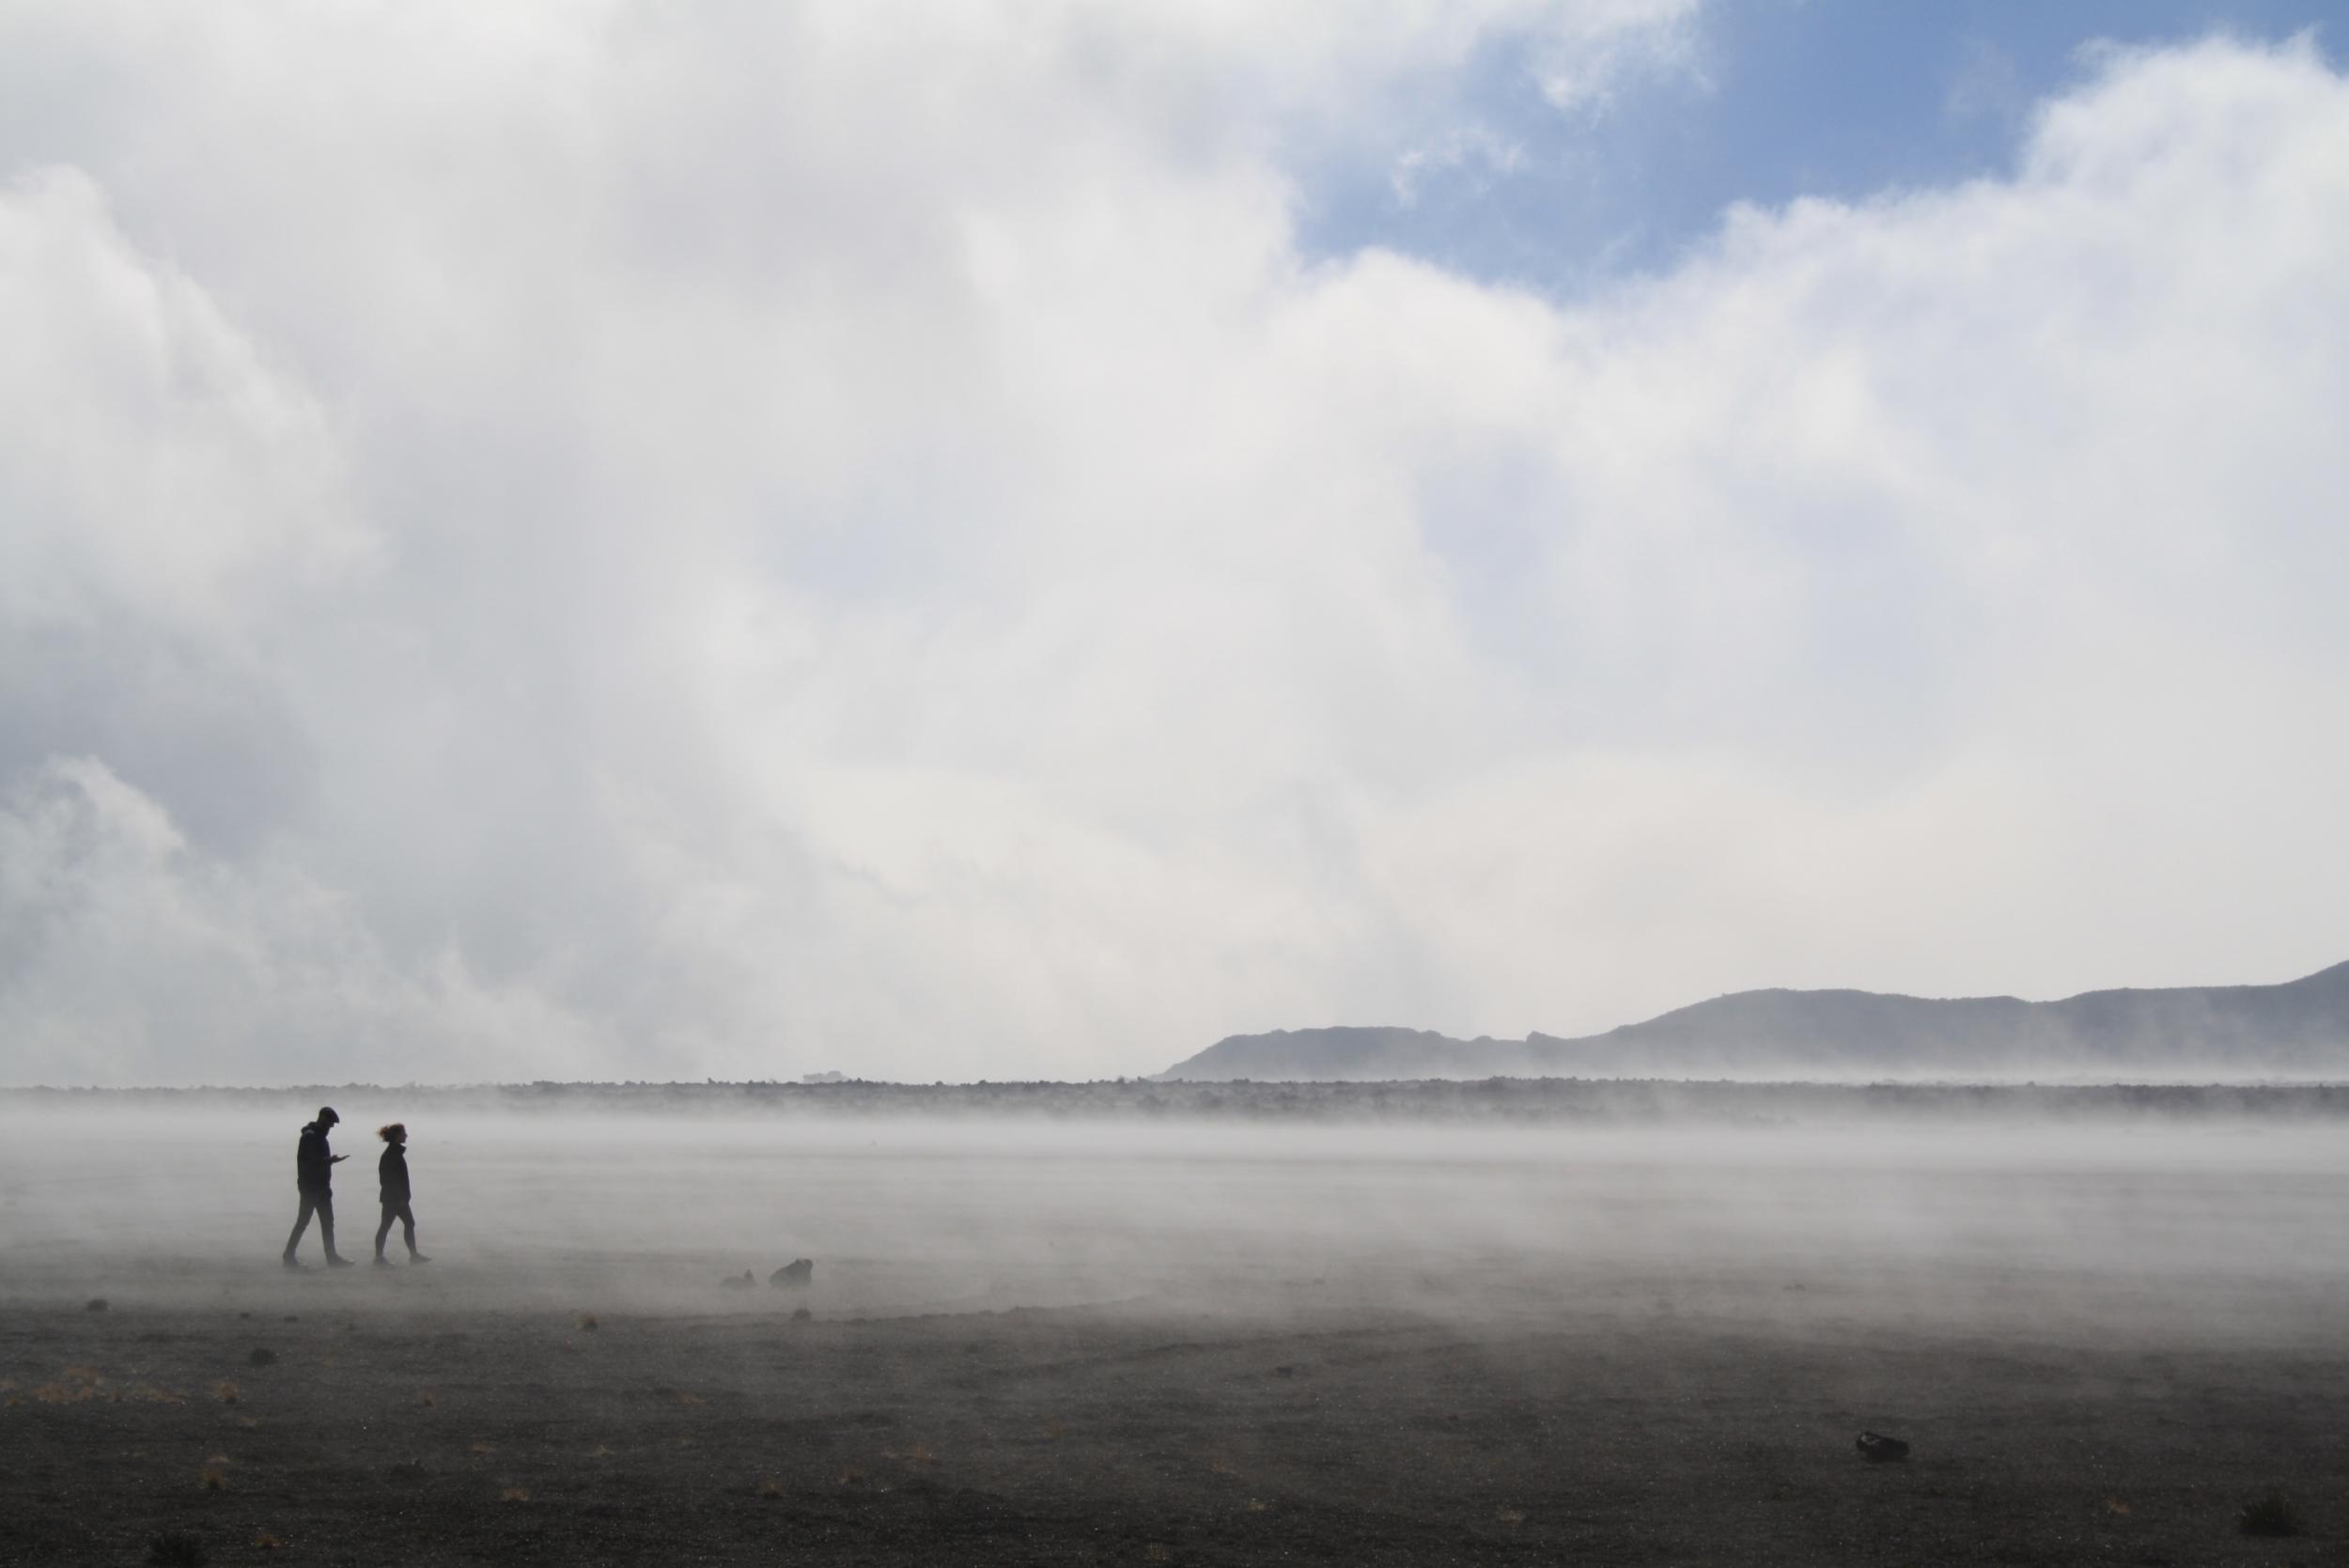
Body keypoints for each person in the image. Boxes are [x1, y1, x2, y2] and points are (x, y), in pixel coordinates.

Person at [282, 1107, 353, 1268]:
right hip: (311, 1188)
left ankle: (332, 1258)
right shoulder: (310, 1137)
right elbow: (310, 1162)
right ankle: (288, 1256)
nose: (331, 1127)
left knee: (327, 1223)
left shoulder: (317, 1137)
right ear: (322, 1118)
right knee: (303, 1221)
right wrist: (330, 1161)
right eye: (330, 1123)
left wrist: (328, 1162)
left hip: (321, 1188)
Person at [373, 1124, 431, 1265]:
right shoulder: (392, 1155)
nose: (406, 1135)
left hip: (395, 1198)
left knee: (403, 1224)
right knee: (388, 1225)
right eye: (403, 1133)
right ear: (397, 1136)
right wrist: (400, 1197)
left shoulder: (393, 1153)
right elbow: (388, 1179)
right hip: (394, 1199)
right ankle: (380, 1258)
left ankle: (412, 1255)